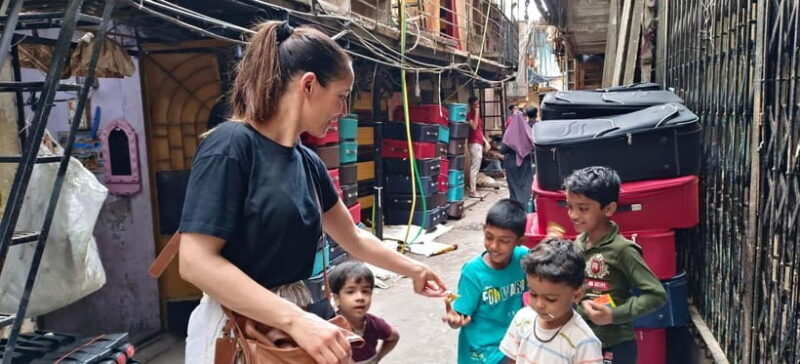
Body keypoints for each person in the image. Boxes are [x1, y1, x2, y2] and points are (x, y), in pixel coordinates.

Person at [178, 20, 447, 364]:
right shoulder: (230, 145)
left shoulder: (307, 161)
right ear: (308, 85)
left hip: (291, 325)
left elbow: (354, 239)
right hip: (238, 330)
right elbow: (195, 261)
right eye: (341, 96)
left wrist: (414, 270)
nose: (343, 111)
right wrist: (295, 319)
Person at [563, 167, 667, 364]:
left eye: (583, 208)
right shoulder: (577, 244)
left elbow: (656, 295)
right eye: (570, 206)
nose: (574, 215)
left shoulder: (623, 250)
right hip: (580, 340)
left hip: (615, 345)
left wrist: (613, 315)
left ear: (608, 209)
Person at [443, 199, 529, 364]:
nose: (494, 246)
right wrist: (455, 320)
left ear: (520, 241)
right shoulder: (473, 272)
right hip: (481, 353)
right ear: (484, 230)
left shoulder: (523, 258)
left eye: (504, 241)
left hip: (513, 342)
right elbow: (459, 317)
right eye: (489, 237)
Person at [499, 238, 603, 364]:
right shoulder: (522, 320)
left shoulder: (584, 343)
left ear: (576, 296)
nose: (539, 305)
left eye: (550, 299)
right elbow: (511, 359)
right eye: (533, 294)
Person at [330, 261, 399, 363]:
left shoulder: (374, 324)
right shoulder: (331, 330)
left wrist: (377, 358)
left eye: (365, 291)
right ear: (336, 299)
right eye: (350, 292)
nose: (360, 297)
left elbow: (394, 337)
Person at [501, 108, 536, 207]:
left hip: (511, 163)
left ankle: (515, 207)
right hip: (526, 161)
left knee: (514, 186)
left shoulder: (509, 132)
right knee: (525, 186)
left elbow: (503, 149)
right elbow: (533, 146)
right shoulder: (527, 131)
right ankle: (526, 207)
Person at [467, 96, 486, 198]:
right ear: (471, 105)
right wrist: (477, 112)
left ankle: (474, 189)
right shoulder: (470, 115)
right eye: (474, 104)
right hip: (473, 142)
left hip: (479, 142)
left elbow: (479, 130)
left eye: (477, 104)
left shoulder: (477, 116)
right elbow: (474, 127)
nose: (476, 106)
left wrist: (486, 142)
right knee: (474, 167)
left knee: (477, 166)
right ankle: (472, 191)